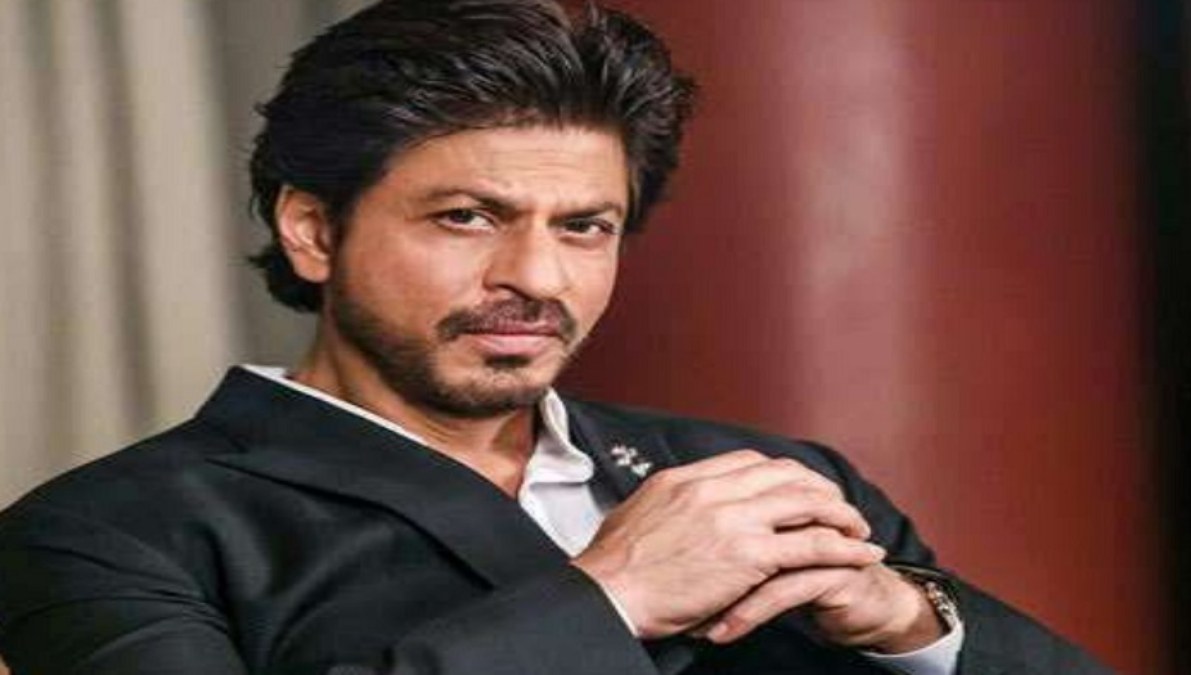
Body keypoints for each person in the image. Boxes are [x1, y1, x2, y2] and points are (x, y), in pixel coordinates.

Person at [0, 1, 1113, 674]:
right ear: (314, 229)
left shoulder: (765, 477)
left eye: (585, 227)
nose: (535, 278)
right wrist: (611, 596)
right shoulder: (108, 531)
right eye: (466, 217)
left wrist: (908, 622)